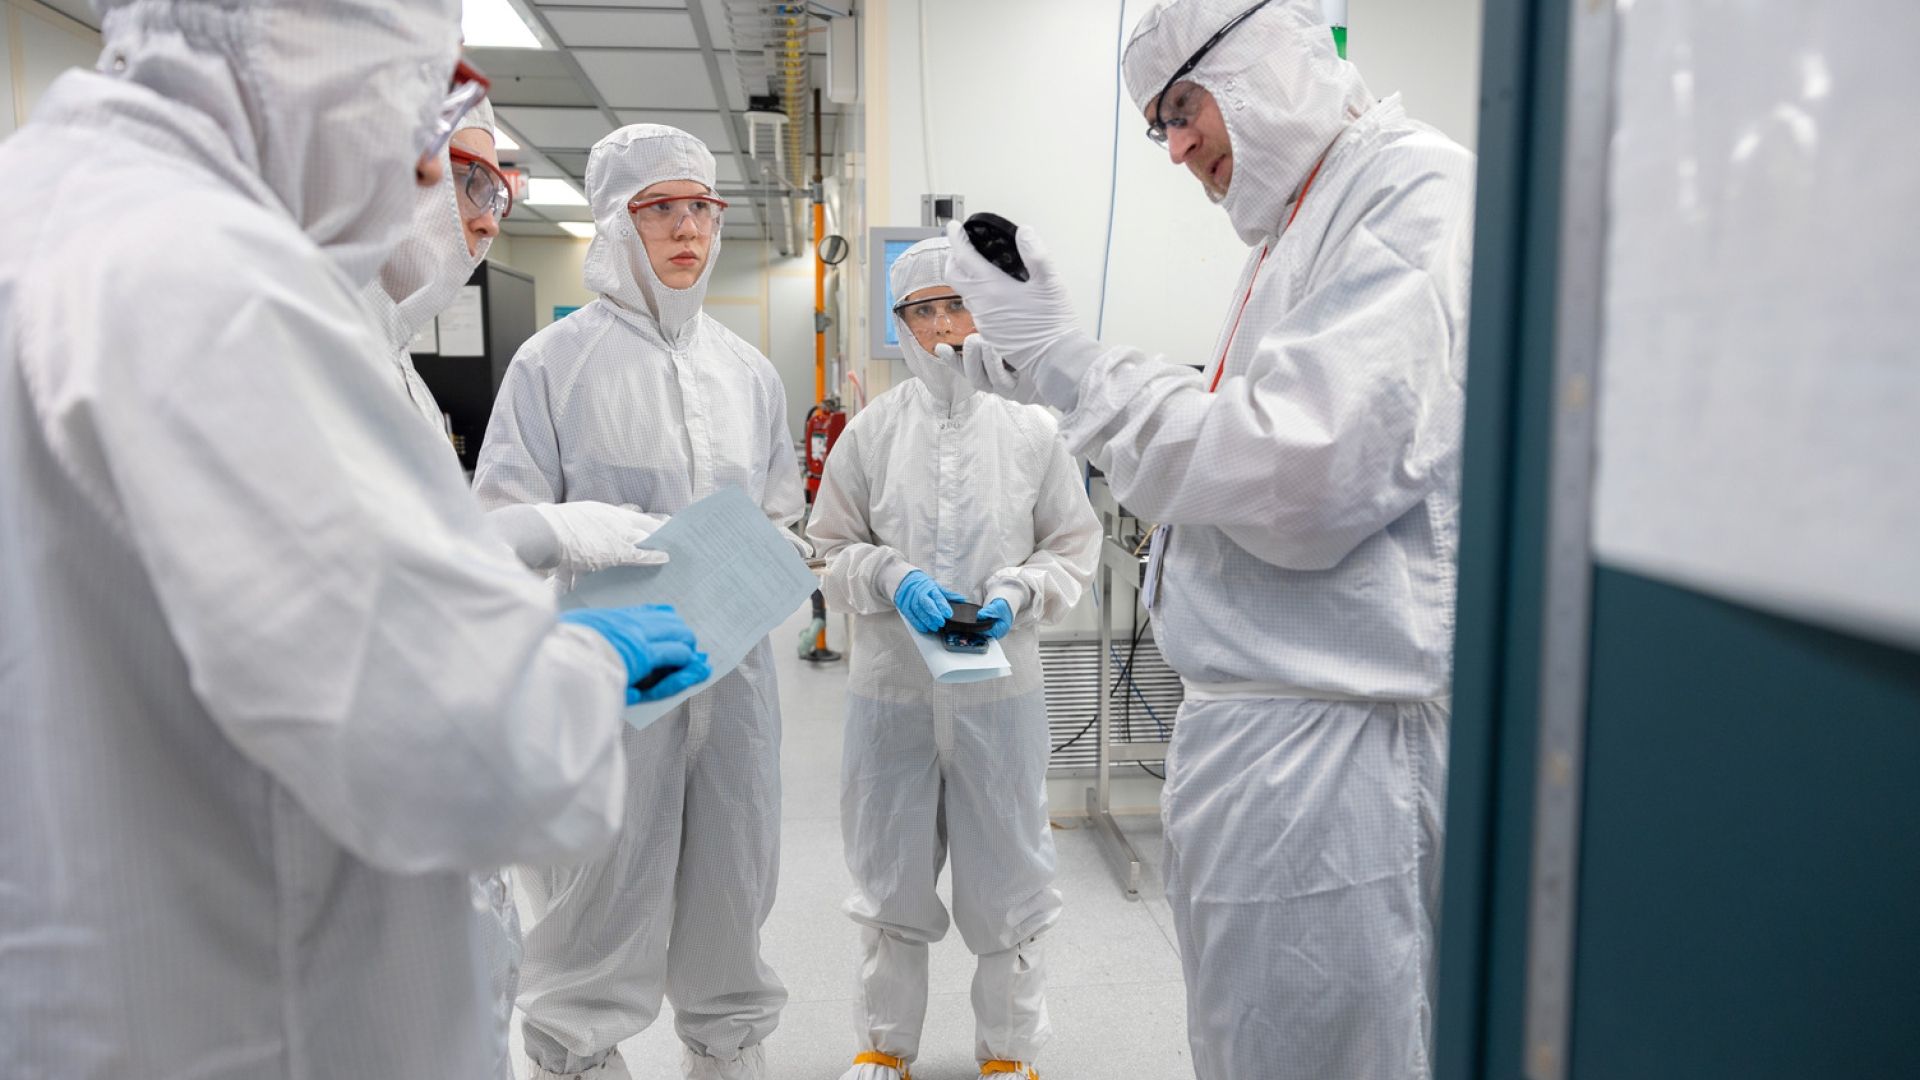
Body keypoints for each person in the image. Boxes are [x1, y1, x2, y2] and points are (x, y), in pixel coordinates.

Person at [0, 1, 707, 1077]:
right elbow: (473, 755)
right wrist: (581, 667)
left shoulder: (44, 207)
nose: (429, 177)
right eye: (423, 94)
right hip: (257, 1008)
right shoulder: (214, 282)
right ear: (311, 47)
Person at [942, 1, 1475, 1077]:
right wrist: (1050, 368)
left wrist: (1070, 361)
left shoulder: (1411, 192)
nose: (1177, 147)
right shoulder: (1305, 226)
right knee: (1254, 1044)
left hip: (1334, 752)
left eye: (1184, 106)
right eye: (1159, 124)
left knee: (1321, 1053)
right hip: (1272, 735)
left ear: (1272, 57)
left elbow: (1298, 468)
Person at [363, 98, 691, 1080]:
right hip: (359, 832)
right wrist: (546, 541)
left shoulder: (388, 354)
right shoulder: (287, 341)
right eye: (464, 177)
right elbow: (345, 594)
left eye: (497, 184)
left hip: (430, 808)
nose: (487, 212)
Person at [475, 123, 805, 1080]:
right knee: (599, 879)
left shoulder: (746, 370)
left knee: (736, 871)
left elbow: (782, 507)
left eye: (701, 207)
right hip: (608, 670)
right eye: (660, 208)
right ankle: (578, 1053)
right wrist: (575, 524)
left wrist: (773, 550)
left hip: (735, 669)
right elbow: (501, 518)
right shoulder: (553, 362)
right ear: (618, 223)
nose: (687, 229)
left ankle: (728, 1048)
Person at [806, 238, 1100, 1080]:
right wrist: (889, 575)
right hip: (890, 690)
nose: (941, 328)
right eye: (921, 311)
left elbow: (1071, 550)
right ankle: (883, 1045)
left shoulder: (1033, 429)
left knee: (1010, 868)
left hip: (1001, 692)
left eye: (955, 305)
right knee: (887, 867)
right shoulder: (870, 433)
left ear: (982, 309)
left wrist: (1018, 592)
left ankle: (1007, 1053)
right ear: (899, 324)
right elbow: (828, 550)